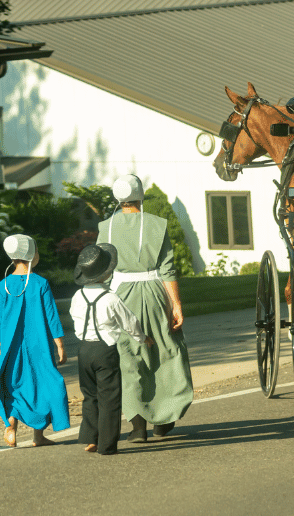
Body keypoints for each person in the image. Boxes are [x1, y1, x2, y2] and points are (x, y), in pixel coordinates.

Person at [97, 174, 193, 442]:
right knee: (166, 352)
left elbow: (101, 267)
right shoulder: (156, 224)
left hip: (119, 296)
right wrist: (176, 305)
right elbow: (168, 269)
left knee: (128, 357)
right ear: (140, 196)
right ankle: (164, 420)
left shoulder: (105, 227)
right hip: (154, 294)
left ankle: (137, 426)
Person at [69, 243, 153, 455]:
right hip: (105, 350)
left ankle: (91, 438)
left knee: (90, 395)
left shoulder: (77, 296)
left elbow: (75, 318)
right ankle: (106, 445)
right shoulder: (111, 298)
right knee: (109, 398)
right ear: (106, 274)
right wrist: (142, 338)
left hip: (84, 349)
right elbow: (129, 321)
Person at [0, 234, 70, 447]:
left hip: (10, 345)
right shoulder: (40, 283)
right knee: (41, 384)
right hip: (39, 344)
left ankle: (11, 428)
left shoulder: (4, 285)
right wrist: (60, 345)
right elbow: (51, 316)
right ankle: (38, 436)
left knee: (14, 383)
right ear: (31, 255)